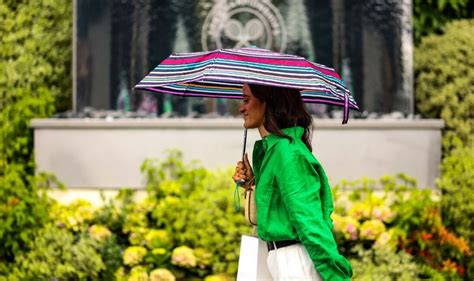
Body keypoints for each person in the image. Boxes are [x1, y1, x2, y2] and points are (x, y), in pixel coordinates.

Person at [232, 83, 352, 281]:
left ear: (268, 101)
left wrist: (337, 275)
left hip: (296, 262)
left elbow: (308, 220)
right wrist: (251, 182)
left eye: (246, 100)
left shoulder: (288, 153)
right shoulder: (275, 150)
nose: (241, 108)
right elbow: (275, 210)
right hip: (279, 259)